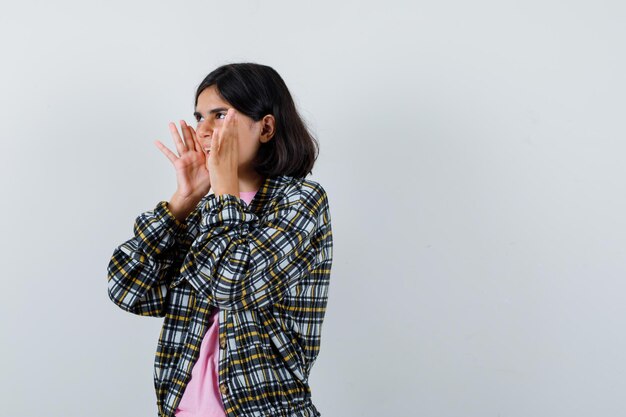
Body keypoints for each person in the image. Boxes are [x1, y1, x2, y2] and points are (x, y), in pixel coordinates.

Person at [106, 62, 334, 417]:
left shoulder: (300, 202)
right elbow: (129, 291)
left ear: (266, 127)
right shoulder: (201, 212)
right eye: (199, 117)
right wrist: (182, 203)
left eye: (220, 114)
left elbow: (233, 285)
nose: (204, 130)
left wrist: (223, 189)